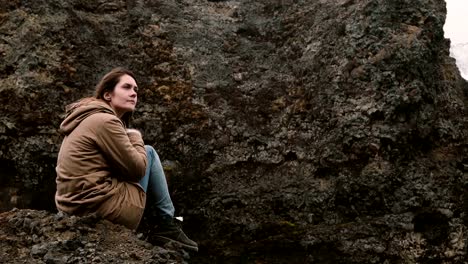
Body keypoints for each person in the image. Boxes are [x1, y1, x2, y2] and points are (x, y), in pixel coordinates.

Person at [55, 67, 198, 252]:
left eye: (136, 90)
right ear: (108, 94)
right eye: (127, 87)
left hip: (71, 208)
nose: (133, 94)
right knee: (148, 153)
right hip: (99, 209)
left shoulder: (86, 119)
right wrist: (135, 136)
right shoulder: (105, 121)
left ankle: (160, 224)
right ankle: (166, 224)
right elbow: (138, 170)